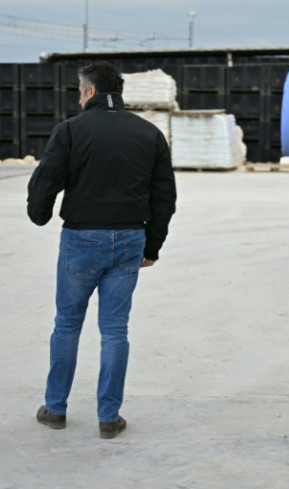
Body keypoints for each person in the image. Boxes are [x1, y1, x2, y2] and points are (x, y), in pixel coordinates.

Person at [27, 61, 177, 439]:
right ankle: (109, 417)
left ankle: (56, 409)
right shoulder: (149, 134)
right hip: (130, 239)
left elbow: (46, 180)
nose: (79, 97)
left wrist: (40, 214)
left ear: (90, 91)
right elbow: (164, 197)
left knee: (67, 325)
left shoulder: (71, 131)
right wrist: (152, 246)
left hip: (81, 238)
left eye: (80, 91)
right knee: (114, 330)